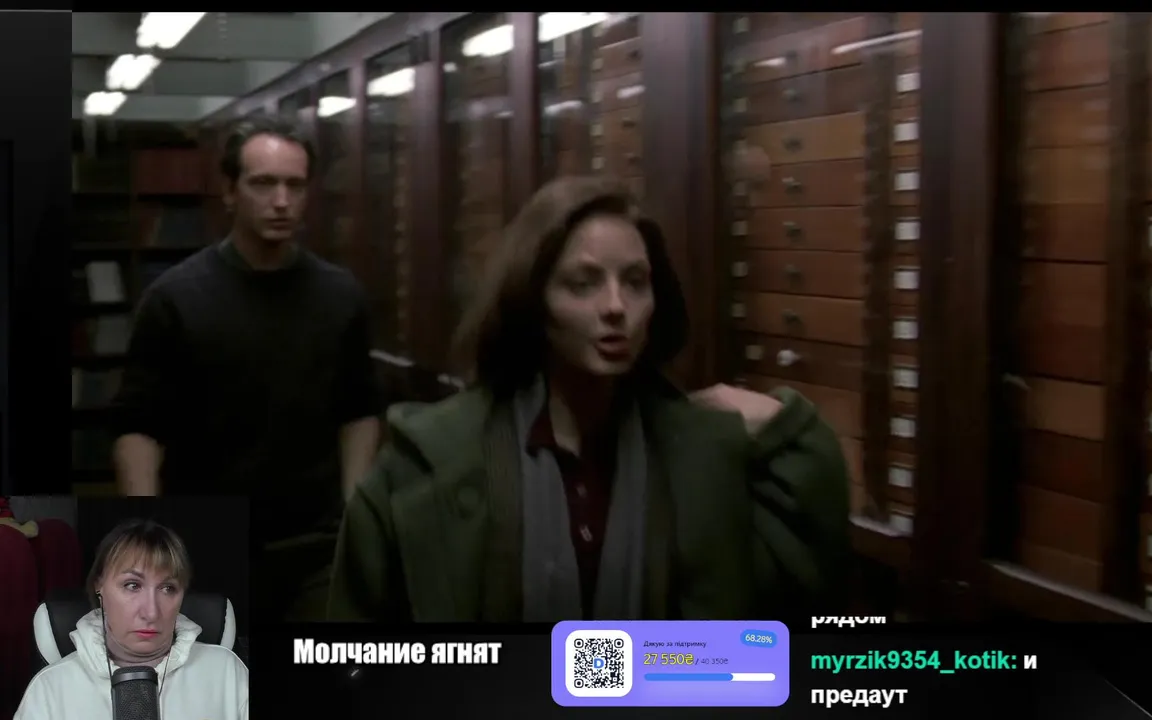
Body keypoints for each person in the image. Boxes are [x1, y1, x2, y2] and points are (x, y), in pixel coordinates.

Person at [328, 175, 850, 622]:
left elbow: (791, 607)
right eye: (584, 283)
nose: (616, 306)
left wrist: (785, 425)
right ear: (534, 298)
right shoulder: (428, 461)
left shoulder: (700, 452)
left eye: (636, 282)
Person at [111, 115, 383, 619]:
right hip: (206, 540)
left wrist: (355, 510)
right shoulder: (176, 298)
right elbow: (139, 425)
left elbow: (359, 410)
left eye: (294, 186)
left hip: (315, 546)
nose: (281, 201)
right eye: (263, 183)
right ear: (230, 192)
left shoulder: (340, 296)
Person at [15, 519, 248, 720]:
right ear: (99, 587)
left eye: (168, 588)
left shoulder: (227, 672)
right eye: (132, 585)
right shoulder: (49, 689)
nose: (151, 613)